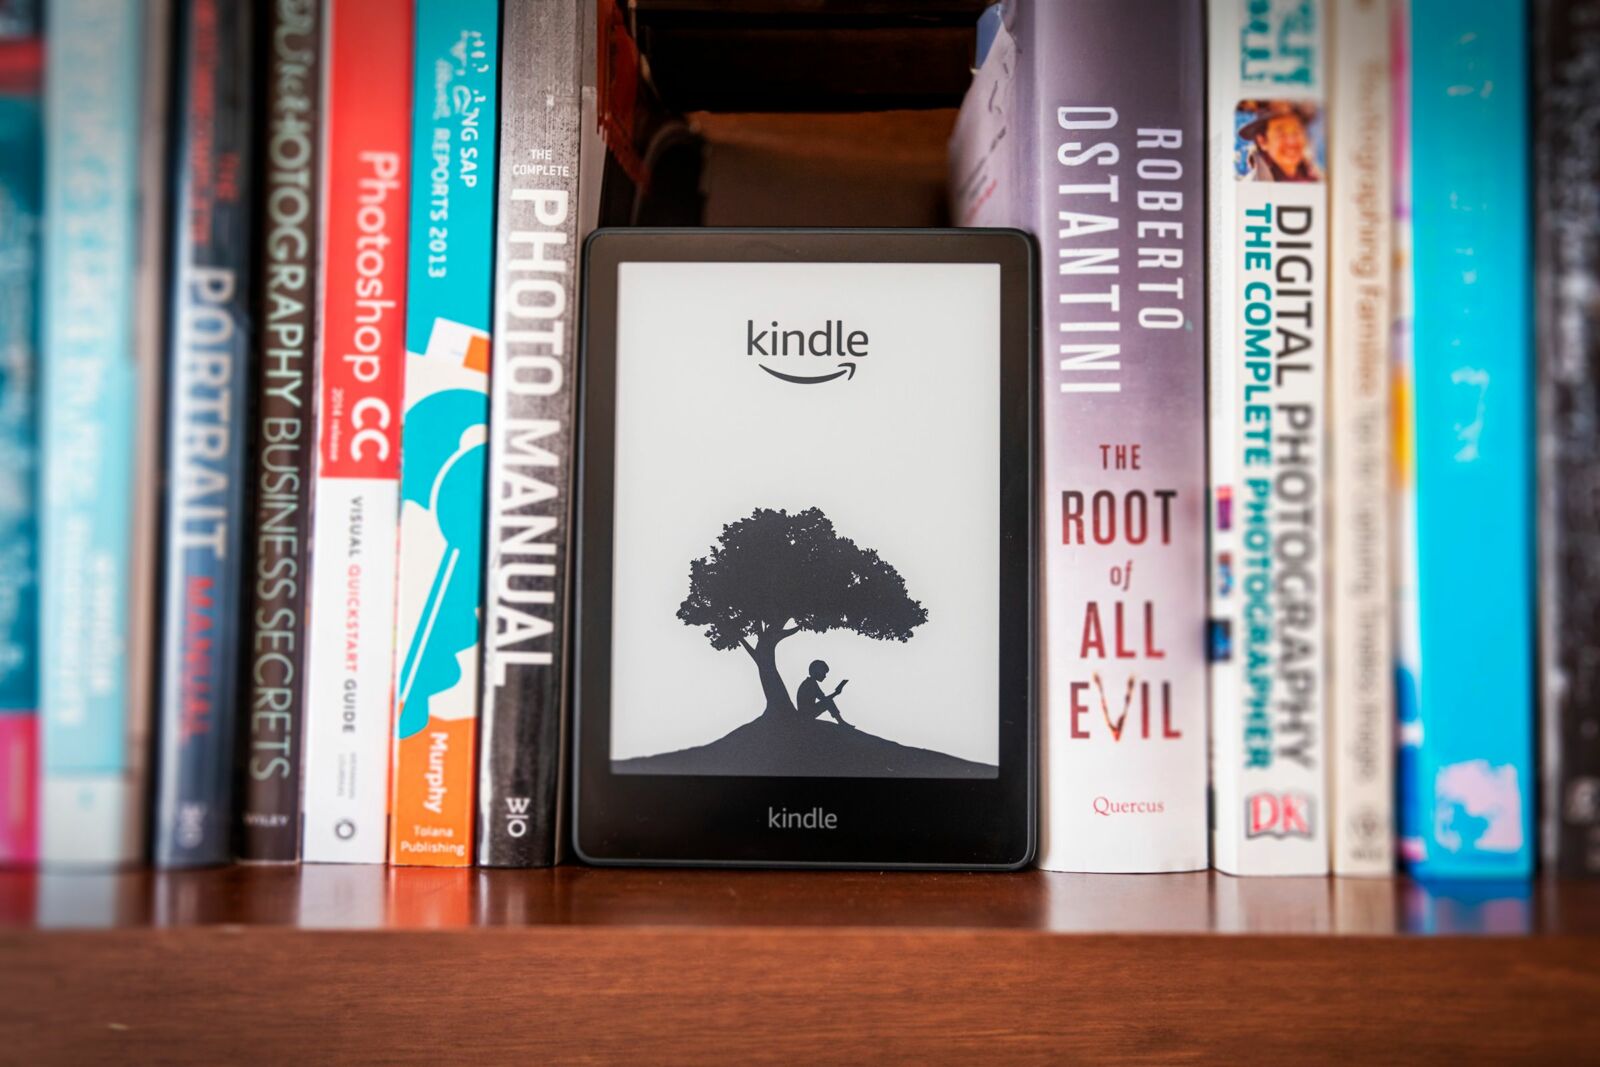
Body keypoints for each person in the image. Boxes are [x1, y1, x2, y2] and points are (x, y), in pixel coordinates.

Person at [1239, 101, 1321, 182]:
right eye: (1281, 134)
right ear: (1262, 141)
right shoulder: (1253, 185)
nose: (1291, 142)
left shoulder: (1317, 177)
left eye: (1297, 132)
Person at [796, 659, 852, 727]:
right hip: (805, 714)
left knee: (828, 701)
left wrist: (835, 693)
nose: (825, 676)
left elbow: (823, 699)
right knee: (828, 701)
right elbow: (824, 700)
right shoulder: (810, 683)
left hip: (806, 712)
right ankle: (841, 722)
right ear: (817, 671)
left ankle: (841, 722)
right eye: (824, 673)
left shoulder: (810, 682)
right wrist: (835, 693)